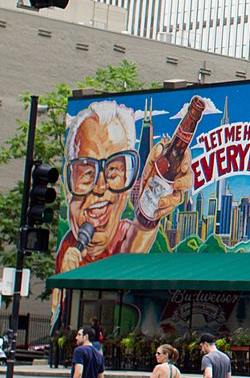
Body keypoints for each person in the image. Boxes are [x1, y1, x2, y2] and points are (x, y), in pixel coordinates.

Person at [56, 101, 194, 274]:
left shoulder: (121, 237)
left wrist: (152, 188)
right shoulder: (66, 247)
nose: (100, 187)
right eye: (87, 172)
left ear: (126, 188)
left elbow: (136, 238)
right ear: (69, 186)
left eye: (113, 171)